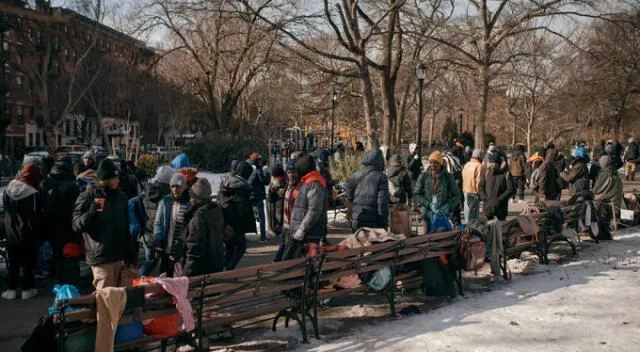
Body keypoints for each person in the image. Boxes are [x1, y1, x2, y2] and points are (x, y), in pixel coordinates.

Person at [72, 159, 137, 289]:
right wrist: (90, 213)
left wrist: (130, 250)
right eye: (115, 178)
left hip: (119, 255)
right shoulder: (87, 197)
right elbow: (76, 225)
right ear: (106, 180)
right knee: (106, 297)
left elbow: (125, 225)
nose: (118, 180)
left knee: (121, 297)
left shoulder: (121, 197)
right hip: (100, 256)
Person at [1, 163, 43, 300]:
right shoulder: (34, 193)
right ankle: (27, 288)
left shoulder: (9, 188)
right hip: (28, 232)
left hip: (11, 230)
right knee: (28, 262)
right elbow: (36, 214)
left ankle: (11, 289)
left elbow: (6, 209)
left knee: (13, 261)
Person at [144, 173, 190, 276]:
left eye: (178, 187)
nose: (175, 189)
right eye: (172, 186)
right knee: (164, 275)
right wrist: (158, 238)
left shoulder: (189, 204)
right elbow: (158, 222)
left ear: (184, 187)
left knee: (178, 277)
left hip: (180, 249)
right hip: (166, 246)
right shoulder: (165, 202)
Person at [42, 162, 80, 284]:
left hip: (50, 224)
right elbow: (76, 206)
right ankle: (69, 278)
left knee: (55, 250)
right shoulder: (72, 185)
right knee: (69, 251)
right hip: (68, 223)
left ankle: (57, 276)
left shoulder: (47, 183)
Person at [284, 155, 328, 260]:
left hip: (309, 233)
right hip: (303, 232)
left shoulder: (314, 183)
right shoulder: (307, 181)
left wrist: (302, 229)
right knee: (292, 262)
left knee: (301, 264)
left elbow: (314, 210)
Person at [180, 178, 225, 276]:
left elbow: (194, 251)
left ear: (196, 198)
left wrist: (185, 276)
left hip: (201, 275)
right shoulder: (216, 212)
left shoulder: (198, 219)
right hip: (216, 269)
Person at [219, 161, 255, 270]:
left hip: (226, 221)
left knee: (230, 247)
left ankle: (224, 268)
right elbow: (241, 210)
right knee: (241, 247)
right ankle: (229, 270)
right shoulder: (242, 188)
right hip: (237, 224)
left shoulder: (227, 183)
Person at [414, 151, 461, 233]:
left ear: (440, 164)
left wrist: (448, 206)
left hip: (442, 216)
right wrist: (428, 204)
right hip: (427, 215)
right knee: (426, 240)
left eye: (435, 163)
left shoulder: (448, 177)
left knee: (441, 240)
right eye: (431, 162)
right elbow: (416, 194)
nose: (433, 165)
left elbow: (457, 196)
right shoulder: (423, 176)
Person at [346, 149, 389, 232]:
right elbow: (382, 204)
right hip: (374, 223)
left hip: (357, 220)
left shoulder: (354, 175)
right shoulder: (381, 177)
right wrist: (384, 224)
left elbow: (349, 196)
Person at [274, 160, 301, 262]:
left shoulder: (299, 187)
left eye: (293, 172)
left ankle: (280, 268)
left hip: (292, 226)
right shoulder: (288, 185)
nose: (291, 175)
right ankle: (276, 264)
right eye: (289, 172)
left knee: (288, 252)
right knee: (283, 246)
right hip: (285, 225)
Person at [480, 153, 514, 221]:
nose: (491, 164)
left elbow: (510, 189)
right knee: (489, 227)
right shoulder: (487, 173)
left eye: (494, 162)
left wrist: (500, 199)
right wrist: (484, 197)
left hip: (501, 206)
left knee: (501, 227)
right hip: (488, 205)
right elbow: (481, 186)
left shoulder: (506, 174)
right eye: (490, 162)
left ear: (498, 163)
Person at [247, 153, 271, 243]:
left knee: (248, 215)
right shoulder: (257, 168)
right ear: (256, 160)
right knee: (261, 217)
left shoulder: (246, 167)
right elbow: (264, 181)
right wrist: (267, 173)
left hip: (248, 195)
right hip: (257, 195)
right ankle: (263, 237)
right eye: (259, 159)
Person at [462, 150, 485, 223]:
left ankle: (466, 228)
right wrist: (481, 194)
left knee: (467, 212)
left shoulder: (466, 164)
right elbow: (479, 182)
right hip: (474, 192)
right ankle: (472, 230)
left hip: (465, 190)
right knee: (474, 215)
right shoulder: (479, 166)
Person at [267, 165, 287, 238]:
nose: (275, 179)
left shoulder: (287, 181)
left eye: (276, 177)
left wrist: (285, 192)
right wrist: (272, 191)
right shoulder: (274, 182)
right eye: (274, 177)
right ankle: (277, 230)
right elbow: (270, 199)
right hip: (277, 208)